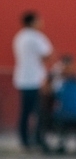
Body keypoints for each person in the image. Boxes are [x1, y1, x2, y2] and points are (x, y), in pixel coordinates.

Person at [12, 11, 52, 150]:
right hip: (35, 79)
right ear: (32, 22)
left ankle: (24, 139)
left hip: (22, 78)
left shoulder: (19, 37)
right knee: (39, 111)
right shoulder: (36, 37)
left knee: (25, 111)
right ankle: (38, 138)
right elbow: (47, 55)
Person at [43, 54, 76, 153]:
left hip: (64, 117)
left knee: (51, 115)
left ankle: (60, 143)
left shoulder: (59, 82)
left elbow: (49, 93)